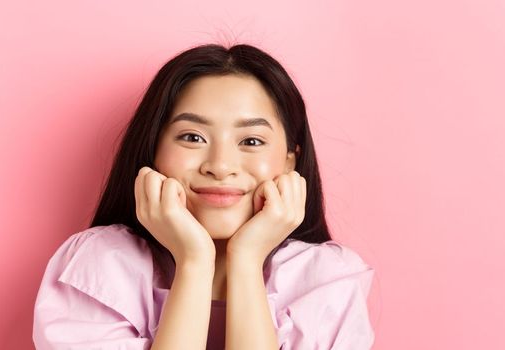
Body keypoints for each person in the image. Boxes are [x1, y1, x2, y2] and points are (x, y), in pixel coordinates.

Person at [32, 43, 375, 350]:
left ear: (290, 160)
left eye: (251, 141)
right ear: (153, 151)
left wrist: (246, 261)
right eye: (192, 137)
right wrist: (194, 263)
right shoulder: (98, 266)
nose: (220, 166)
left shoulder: (326, 281)